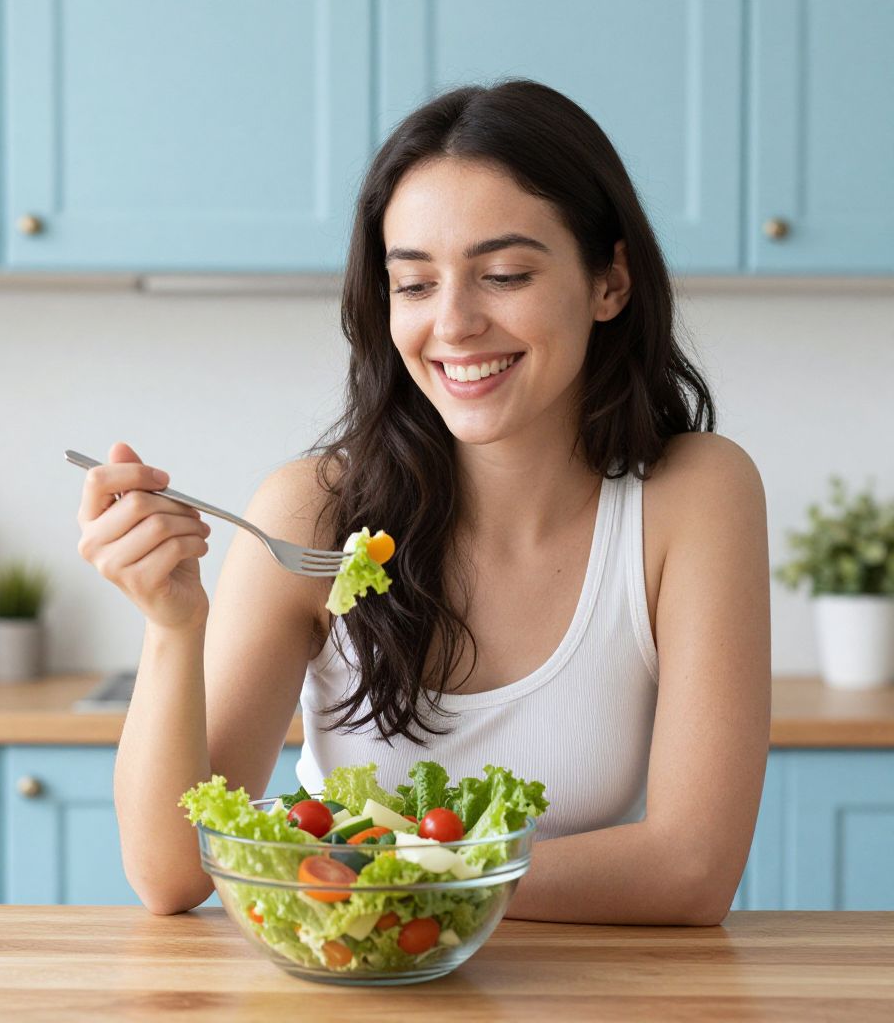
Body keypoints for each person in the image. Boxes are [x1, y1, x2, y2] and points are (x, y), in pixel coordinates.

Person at [75, 80, 770, 925]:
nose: (455, 323)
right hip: (354, 981)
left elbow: (691, 870)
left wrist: (377, 881)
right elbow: (172, 874)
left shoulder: (695, 496)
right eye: (413, 284)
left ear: (609, 282)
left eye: (505, 274)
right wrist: (172, 626)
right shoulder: (310, 513)